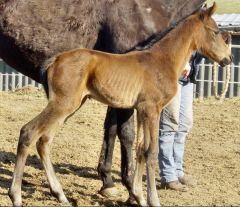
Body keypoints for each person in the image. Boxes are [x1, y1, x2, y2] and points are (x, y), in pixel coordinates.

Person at [158, 52, 203, 191]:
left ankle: (177, 169)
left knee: (184, 124)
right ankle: (168, 175)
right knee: (169, 124)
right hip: (172, 76)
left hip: (188, 79)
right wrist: (182, 60)